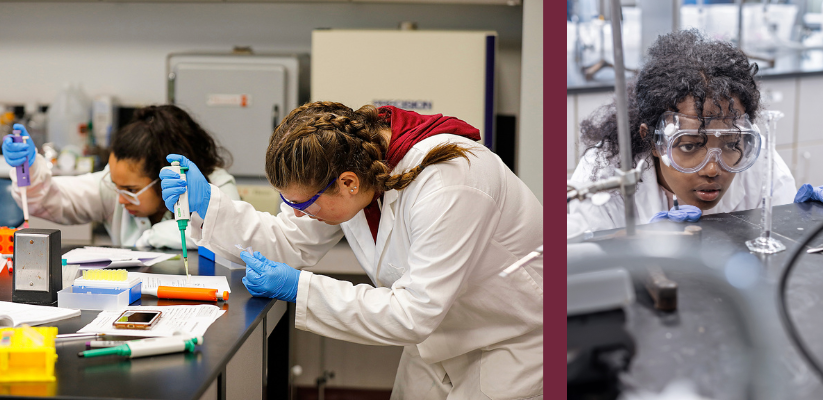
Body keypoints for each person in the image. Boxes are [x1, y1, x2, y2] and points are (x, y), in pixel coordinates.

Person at [160, 102, 543, 399]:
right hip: (438, 342)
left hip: (507, 346)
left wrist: (301, 288)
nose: (298, 214)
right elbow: (289, 240)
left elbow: (413, 312)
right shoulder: (356, 165)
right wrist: (207, 204)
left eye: (303, 204)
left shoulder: (450, 184)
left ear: (347, 183)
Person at [569, 29, 797, 232]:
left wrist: (804, 219)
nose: (712, 170)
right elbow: (582, 263)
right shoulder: (603, 173)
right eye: (689, 145)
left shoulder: (761, 164)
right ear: (651, 139)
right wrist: (636, 246)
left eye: (729, 144)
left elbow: (787, 253)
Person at [1, 105, 240, 248]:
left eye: (132, 190)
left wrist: (151, 236)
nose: (121, 198)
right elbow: (47, 201)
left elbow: (234, 234)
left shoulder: (215, 184)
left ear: (167, 176)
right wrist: (30, 169)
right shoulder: (113, 186)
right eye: (117, 186)